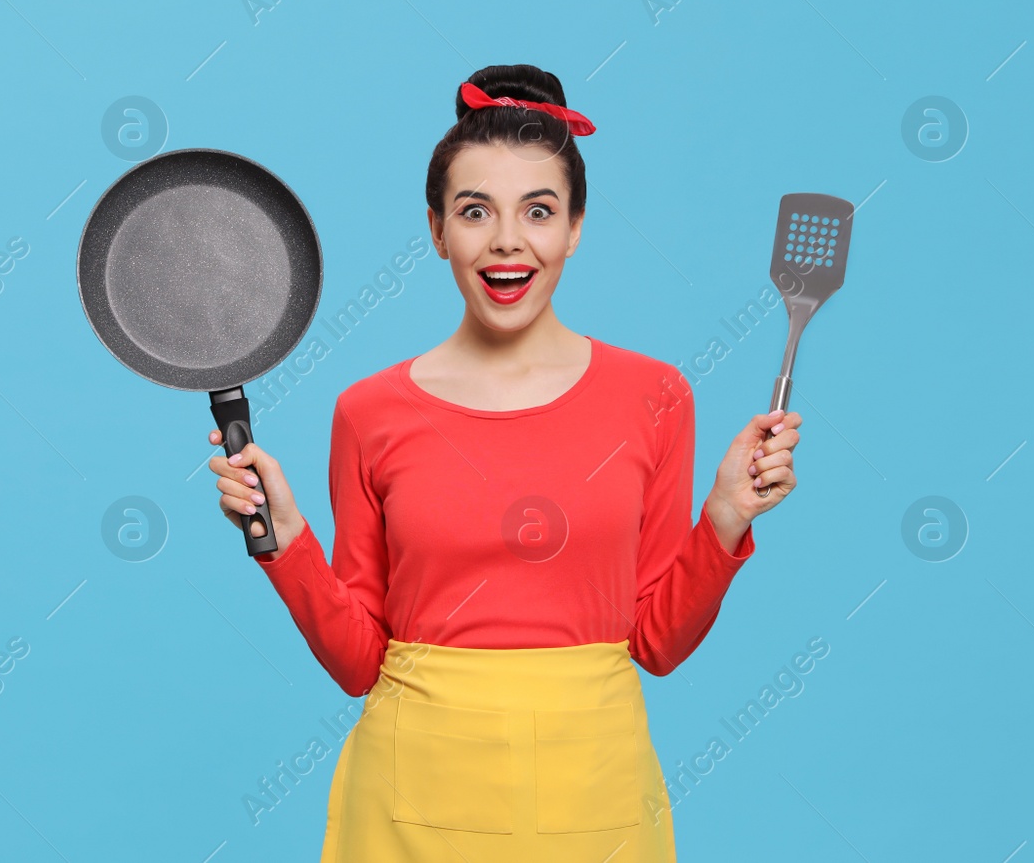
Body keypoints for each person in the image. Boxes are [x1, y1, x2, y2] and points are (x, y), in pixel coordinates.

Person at [206, 63, 803, 862]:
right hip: (413, 798)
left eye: (539, 211)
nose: (508, 241)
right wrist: (285, 541)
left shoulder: (656, 396)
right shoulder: (369, 411)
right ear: (436, 229)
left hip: (595, 798)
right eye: (475, 211)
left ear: (576, 227)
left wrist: (725, 519)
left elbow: (656, 641)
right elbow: (358, 662)